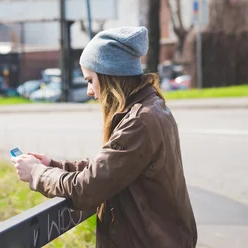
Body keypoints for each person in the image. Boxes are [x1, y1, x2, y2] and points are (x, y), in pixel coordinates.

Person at [12, 26, 197, 247]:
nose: (89, 91)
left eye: (91, 80)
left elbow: (88, 189)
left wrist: (37, 173)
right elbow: (109, 169)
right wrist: (54, 165)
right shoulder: (151, 107)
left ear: (110, 76)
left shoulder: (138, 122)